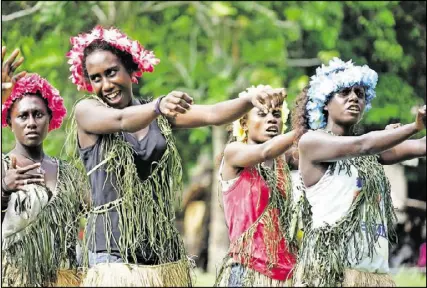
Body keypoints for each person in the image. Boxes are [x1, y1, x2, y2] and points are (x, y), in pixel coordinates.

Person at [64, 25, 281, 287]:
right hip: (111, 251)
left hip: (161, 250)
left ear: (131, 70)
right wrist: (157, 106)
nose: (106, 84)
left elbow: (212, 114)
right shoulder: (88, 111)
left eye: (111, 72)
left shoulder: (159, 114)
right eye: (96, 78)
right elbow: (121, 120)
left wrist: (249, 100)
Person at [291, 57, 427, 287]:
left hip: (372, 273)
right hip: (328, 274)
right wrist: (413, 127)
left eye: (360, 93)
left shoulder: (374, 151)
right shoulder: (312, 142)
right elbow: (361, 145)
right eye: (344, 92)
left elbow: (422, 146)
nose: (354, 97)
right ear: (324, 102)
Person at [214, 84, 305, 287]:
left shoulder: (284, 163)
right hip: (247, 271)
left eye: (276, 114)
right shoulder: (234, 153)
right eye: (262, 114)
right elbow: (265, 152)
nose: (271, 119)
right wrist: (304, 127)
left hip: (286, 274)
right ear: (244, 123)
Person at [1, 73, 88, 287]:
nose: (31, 122)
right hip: (14, 279)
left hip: (64, 279)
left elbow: (95, 212)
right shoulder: (3, 167)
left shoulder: (69, 173)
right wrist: (4, 189)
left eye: (38, 114)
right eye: (23, 116)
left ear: (50, 119)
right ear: (9, 122)